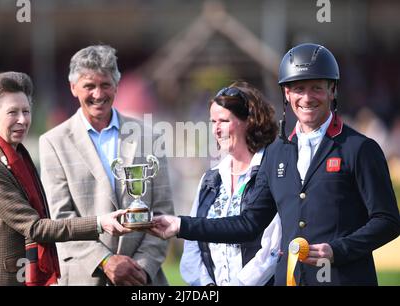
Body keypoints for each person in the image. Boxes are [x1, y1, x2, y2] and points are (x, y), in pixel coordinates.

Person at [149, 43, 400, 285]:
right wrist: (181, 225)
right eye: (299, 89)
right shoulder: (276, 152)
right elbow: (248, 223)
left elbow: (387, 221)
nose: (307, 97)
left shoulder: (360, 148)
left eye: (317, 88)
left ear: (332, 90)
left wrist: (337, 250)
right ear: (287, 94)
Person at [0, 71, 131, 286]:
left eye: (26, 111)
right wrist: (100, 223)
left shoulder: (18, 157)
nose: (22, 120)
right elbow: (35, 228)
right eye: (12, 112)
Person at [39, 44, 174, 286]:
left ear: (117, 86)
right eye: (89, 86)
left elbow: (163, 212)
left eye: (105, 85)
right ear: (73, 88)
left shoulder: (150, 137)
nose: (98, 94)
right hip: (85, 277)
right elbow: (60, 219)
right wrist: (106, 262)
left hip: (142, 281)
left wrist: (142, 268)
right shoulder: (53, 142)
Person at [180, 81, 281, 286]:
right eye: (212, 121)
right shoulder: (210, 178)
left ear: (249, 121)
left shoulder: (271, 171)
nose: (216, 129)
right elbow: (192, 245)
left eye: (224, 121)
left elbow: (272, 249)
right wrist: (206, 285)